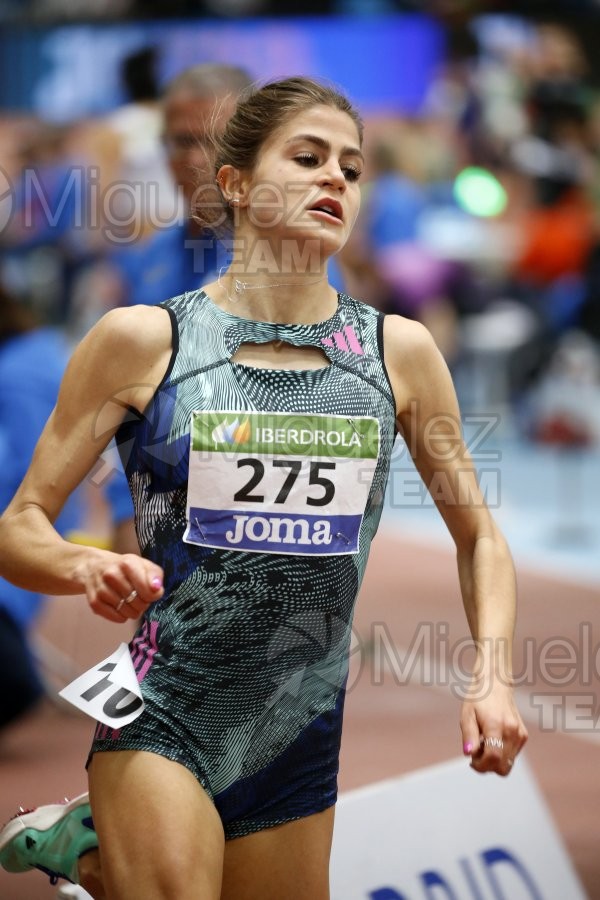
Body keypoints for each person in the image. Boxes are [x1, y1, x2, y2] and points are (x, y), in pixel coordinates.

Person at [0, 76, 527, 900]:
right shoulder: (144, 341)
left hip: (295, 733)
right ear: (236, 184)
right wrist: (79, 566)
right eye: (308, 158)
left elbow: (481, 539)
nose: (335, 181)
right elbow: (20, 525)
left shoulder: (400, 354)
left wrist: (492, 676)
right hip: (162, 704)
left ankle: (97, 856)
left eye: (352, 170)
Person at [0, 286, 82, 731]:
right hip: (28, 532)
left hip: (22, 532)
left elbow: (35, 470)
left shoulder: (21, 369)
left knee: (15, 683)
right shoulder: (32, 354)